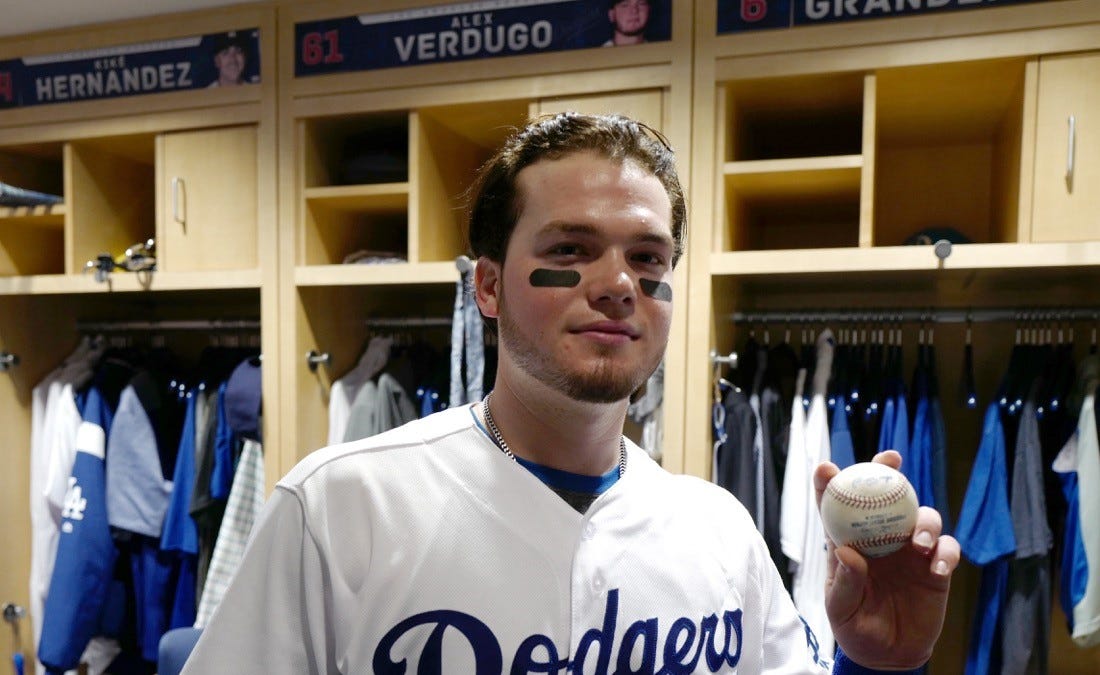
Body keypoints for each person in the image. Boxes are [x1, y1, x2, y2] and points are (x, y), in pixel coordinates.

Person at [180, 112, 960, 673]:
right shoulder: (339, 509)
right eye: (571, 250)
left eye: (647, 258)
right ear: (488, 286)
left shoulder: (720, 530)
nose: (618, 284)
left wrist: (876, 662)